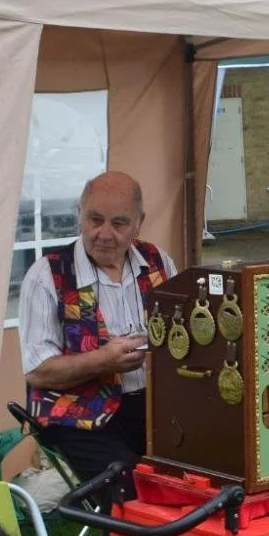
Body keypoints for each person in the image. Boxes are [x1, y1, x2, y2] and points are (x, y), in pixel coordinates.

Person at [19, 171, 176, 479]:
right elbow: (37, 371)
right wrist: (103, 360)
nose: (104, 233)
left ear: (138, 222)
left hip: (152, 405)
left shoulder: (158, 261)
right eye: (95, 220)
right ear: (80, 214)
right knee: (128, 486)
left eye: (118, 223)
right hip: (78, 415)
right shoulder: (46, 276)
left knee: (201, 469)